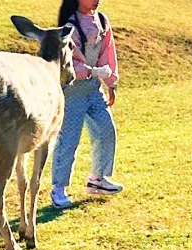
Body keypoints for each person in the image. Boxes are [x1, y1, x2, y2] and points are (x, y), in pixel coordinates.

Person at [51, 0, 122, 208]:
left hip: (94, 89)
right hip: (72, 92)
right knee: (68, 140)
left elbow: (108, 54)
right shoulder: (69, 27)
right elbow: (69, 63)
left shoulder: (101, 21)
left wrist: (111, 83)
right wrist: (92, 71)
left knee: (106, 130)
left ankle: (98, 179)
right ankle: (58, 189)